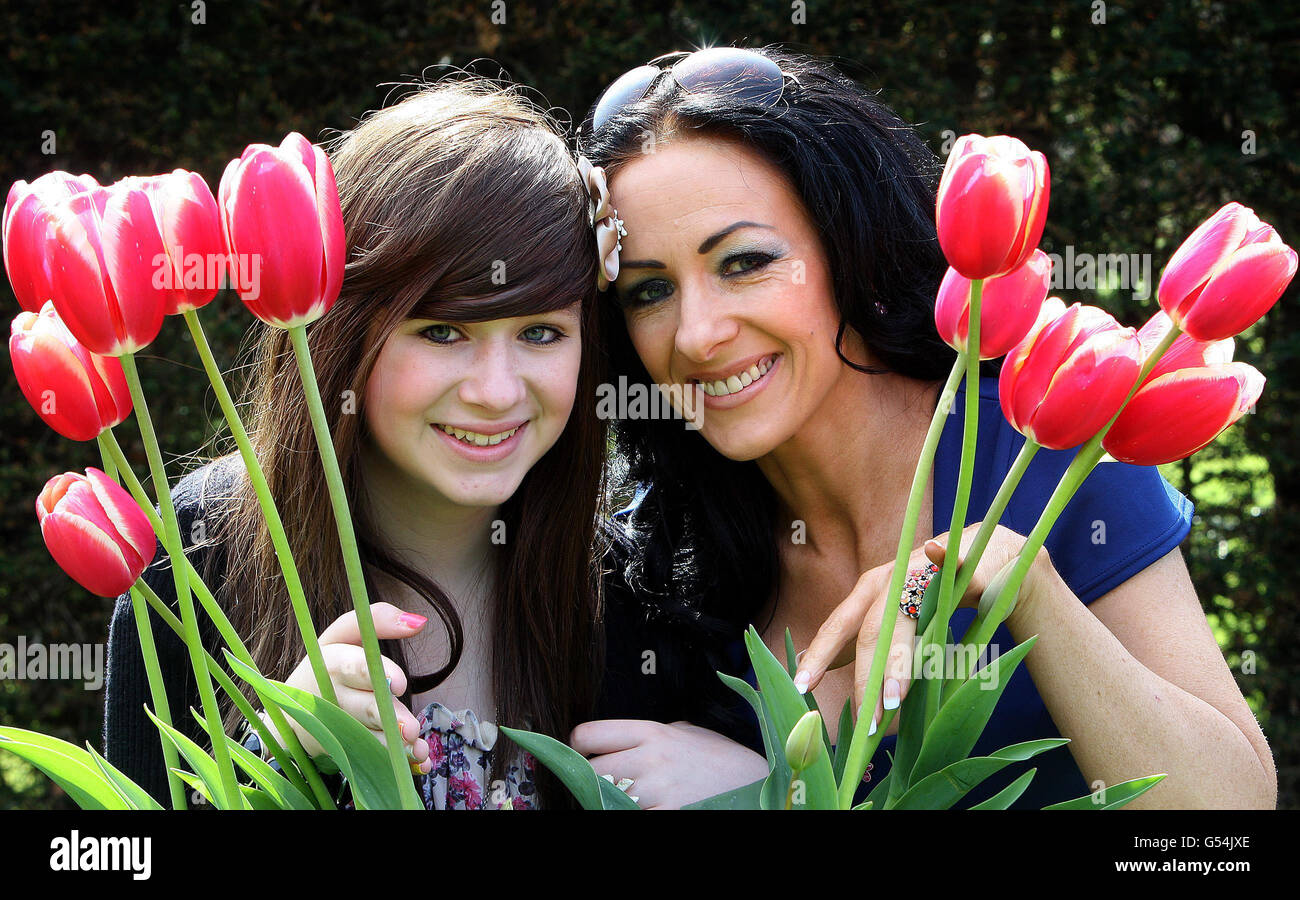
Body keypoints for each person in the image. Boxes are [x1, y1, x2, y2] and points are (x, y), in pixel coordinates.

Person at [574, 46, 1277, 809]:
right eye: (649, 291)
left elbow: (1227, 815)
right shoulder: (655, 555)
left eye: (744, 262)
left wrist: (1022, 581)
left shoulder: (1046, 438)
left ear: (846, 246)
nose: (696, 334)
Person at [104, 75, 613, 809]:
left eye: (541, 333)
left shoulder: (619, 589)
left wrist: (764, 791)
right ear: (345, 335)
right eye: (443, 331)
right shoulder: (203, 554)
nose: (497, 390)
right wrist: (273, 760)